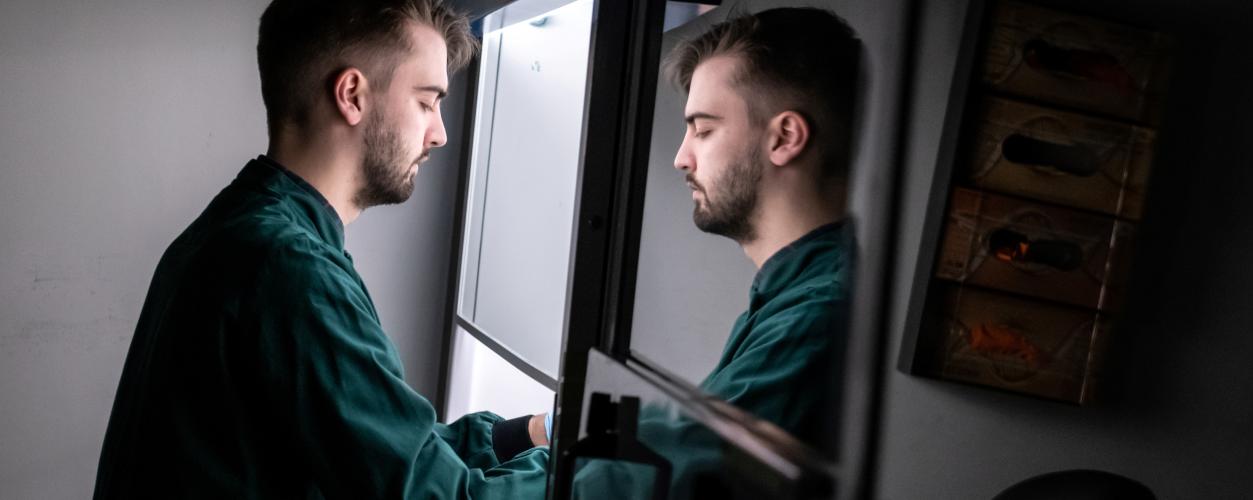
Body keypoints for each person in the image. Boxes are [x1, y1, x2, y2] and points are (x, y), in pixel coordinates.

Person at [94, 1, 546, 497]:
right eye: (426, 102)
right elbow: (429, 493)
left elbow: (377, 448)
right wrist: (594, 470)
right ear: (351, 95)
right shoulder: (290, 269)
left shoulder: (239, 229)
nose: (439, 134)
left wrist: (529, 434)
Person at [513, 8, 862, 498]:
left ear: (785, 137)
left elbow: (642, 483)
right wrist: (529, 433)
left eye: (703, 129)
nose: (682, 157)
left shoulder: (816, 317)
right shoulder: (794, 294)